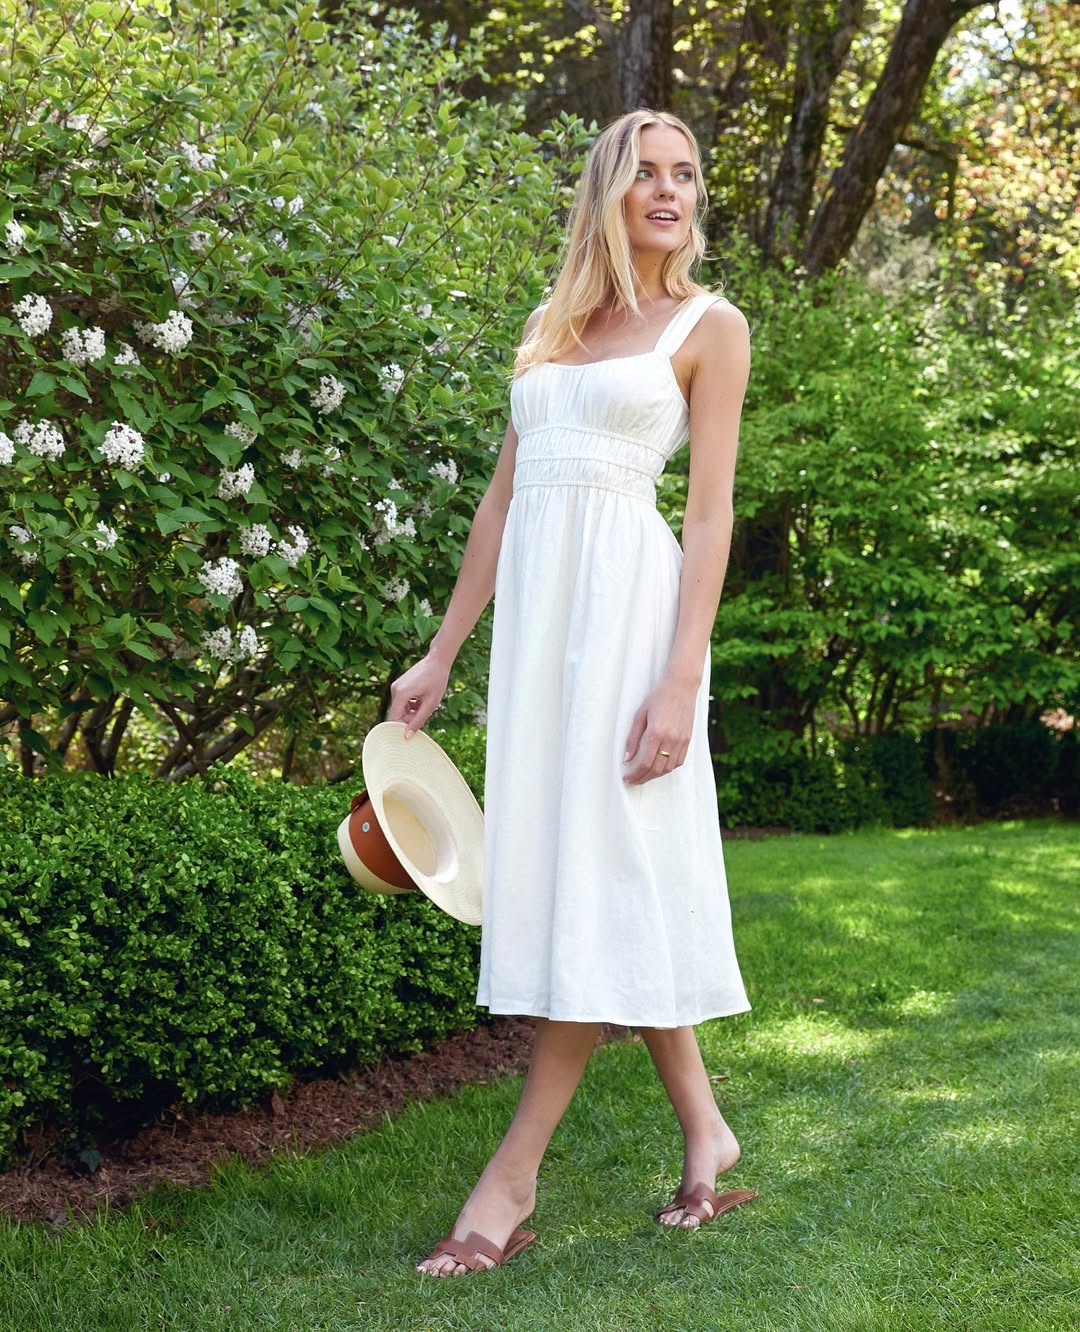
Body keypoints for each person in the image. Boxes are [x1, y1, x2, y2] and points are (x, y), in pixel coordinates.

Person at [389, 108, 754, 1277]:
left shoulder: (711, 326)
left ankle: (513, 1175)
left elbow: (707, 516)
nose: (668, 191)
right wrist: (442, 654)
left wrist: (679, 680)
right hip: (543, 644)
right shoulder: (549, 332)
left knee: (605, 874)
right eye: (646, 173)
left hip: (632, 633)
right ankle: (706, 1131)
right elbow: (499, 507)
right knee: (605, 873)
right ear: (605, 189)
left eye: (685, 176)